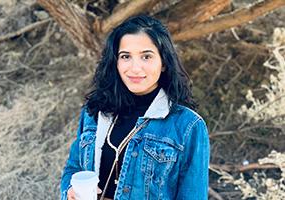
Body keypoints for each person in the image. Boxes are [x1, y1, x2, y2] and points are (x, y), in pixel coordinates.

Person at [60, 14, 210, 200]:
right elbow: (74, 168)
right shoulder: (95, 111)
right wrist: (69, 191)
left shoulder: (187, 125)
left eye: (146, 56)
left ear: (163, 63)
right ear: (115, 62)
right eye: (125, 56)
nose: (135, 68)